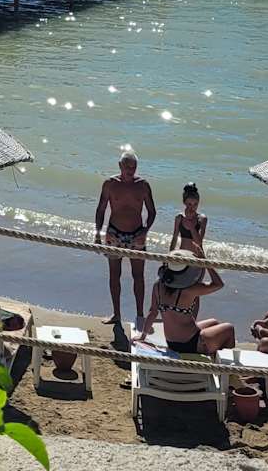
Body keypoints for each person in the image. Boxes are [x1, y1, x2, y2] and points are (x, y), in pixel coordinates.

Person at [94, 151, 157, 325]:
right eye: (127, 166)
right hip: (114, 234)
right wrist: (98, 233)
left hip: (137, 234)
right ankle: (116, 314)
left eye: (134, 167)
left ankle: (140, 316)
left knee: (138, 276)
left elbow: (152, 211)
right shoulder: (110, 184)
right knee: (115, 275)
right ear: (120, 166)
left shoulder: (143, 185)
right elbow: (101, 209)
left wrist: (145, 231)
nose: (131, 170)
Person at [137, 250, 234, 356]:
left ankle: (215, 354)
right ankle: (224, 361)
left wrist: (143, 336)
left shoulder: (158, 285)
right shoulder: (190, 290)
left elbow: (153, 312)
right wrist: (205, 262)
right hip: (191, 344)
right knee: (229, 328)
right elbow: (218, 284)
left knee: (214, 322)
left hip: (171, 342)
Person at [170, 183, 207, 255]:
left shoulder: (202, 219)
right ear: (184, 203)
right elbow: (174, 238)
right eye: (189, 204)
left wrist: (191, 227)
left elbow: (199, 243)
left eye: (195, 204)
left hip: (196, 256)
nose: (192, 208)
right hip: (182, 254)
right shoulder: (179, 218)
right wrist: (170, 255)